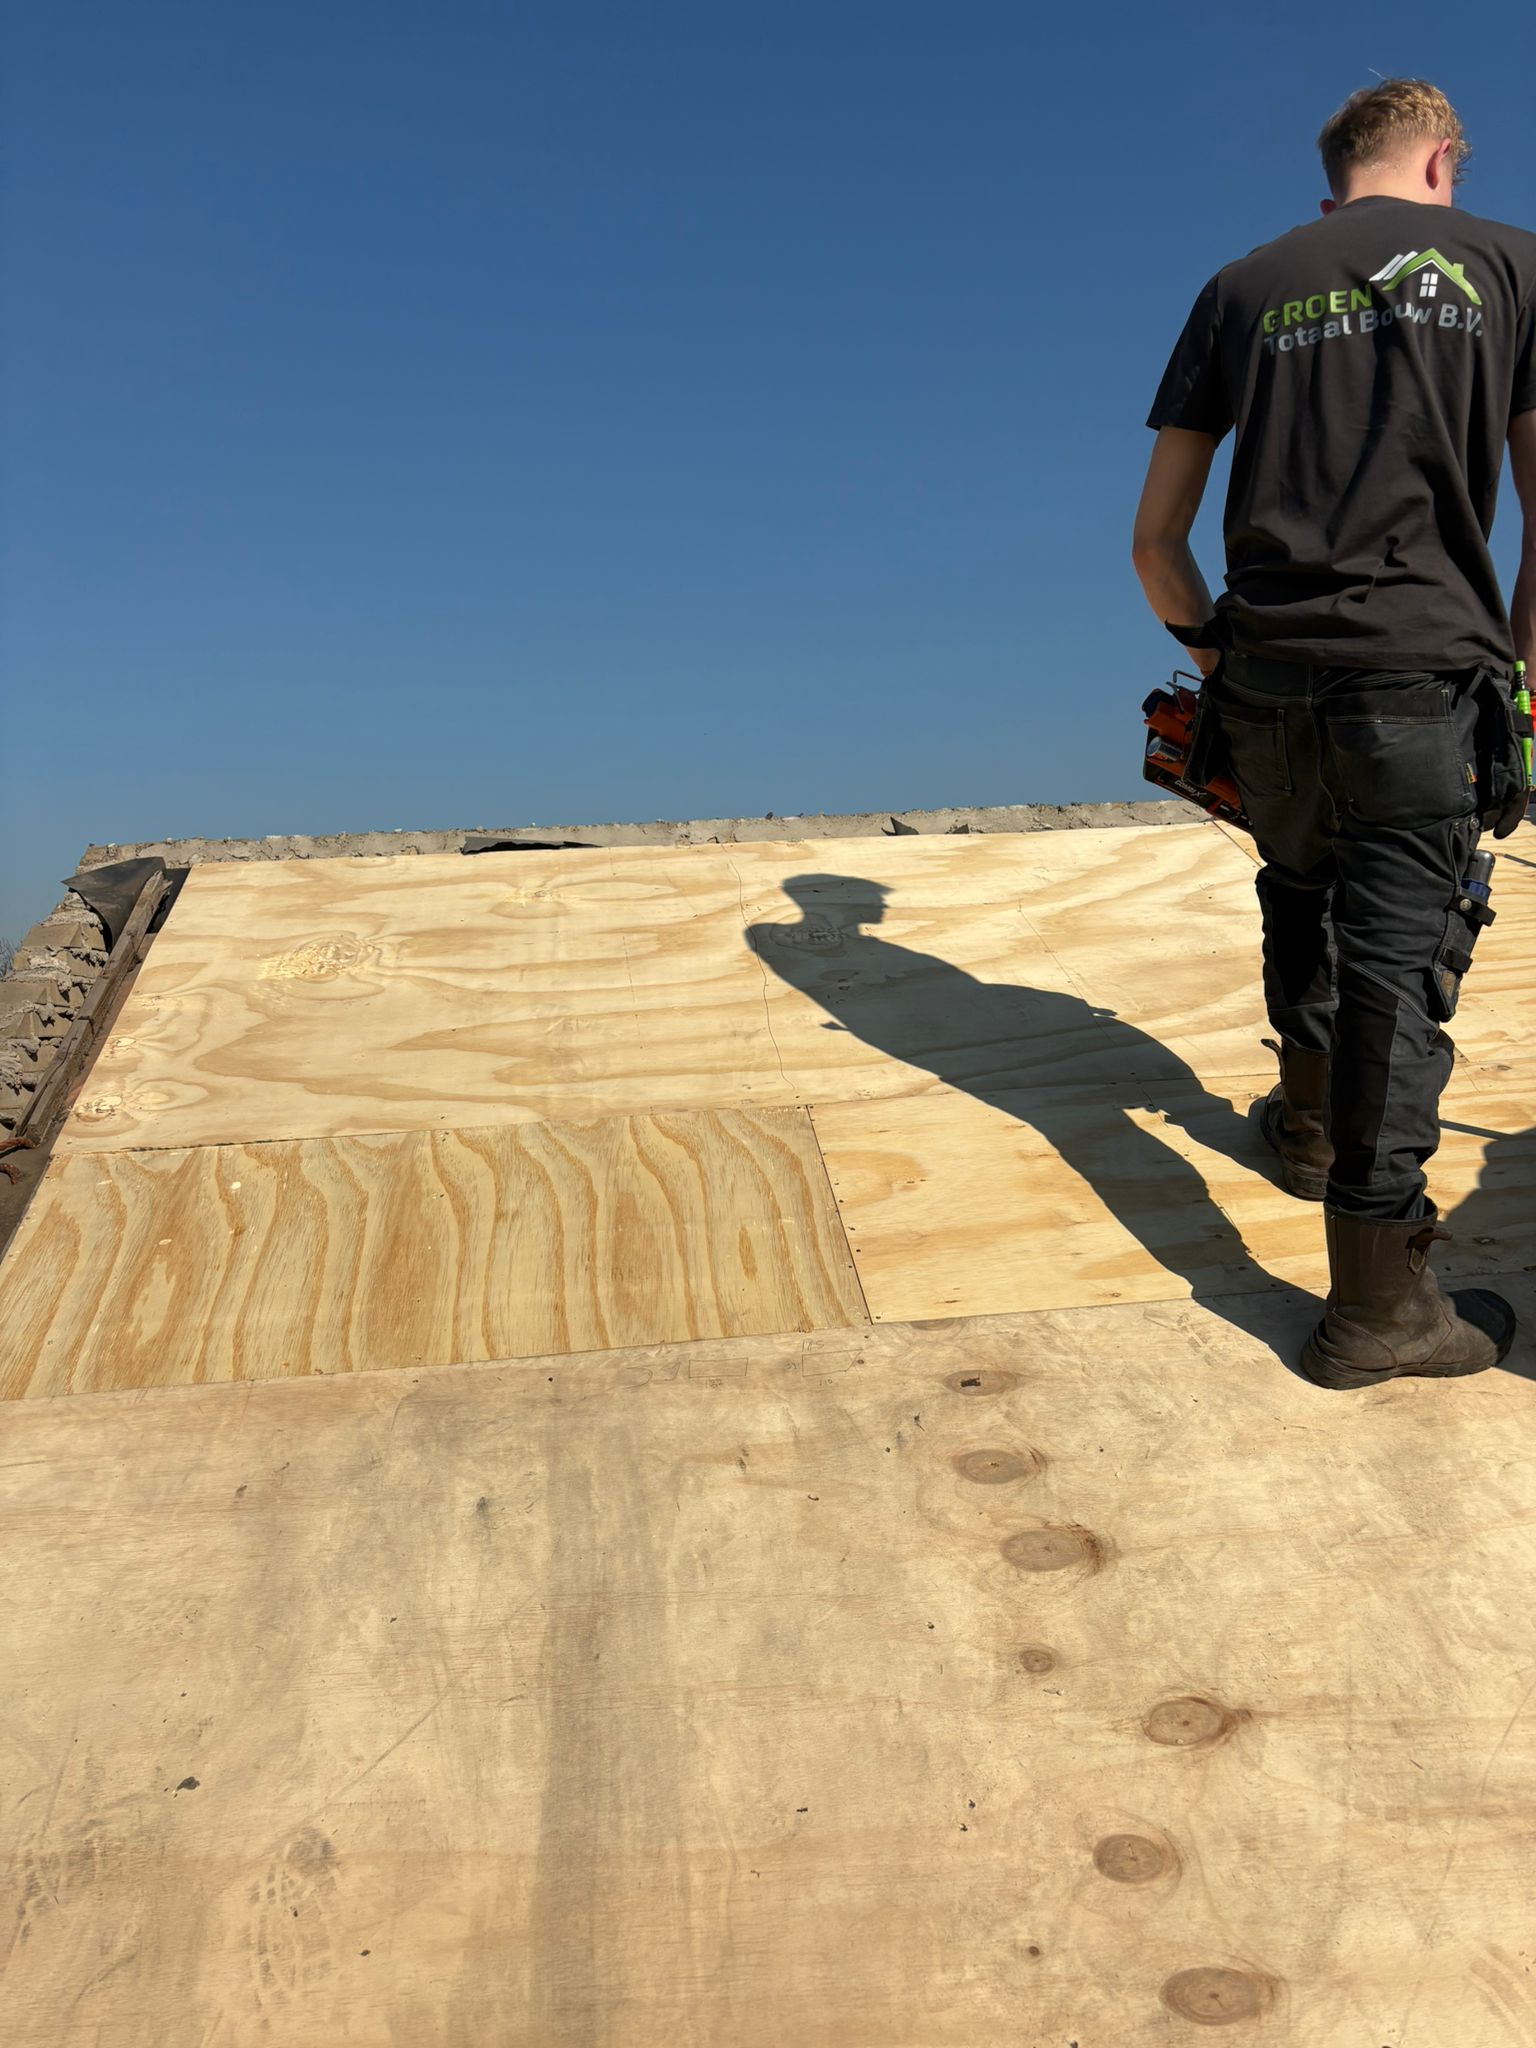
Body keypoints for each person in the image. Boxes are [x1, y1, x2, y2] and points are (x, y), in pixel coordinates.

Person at [1131, 79, 1536, 1389]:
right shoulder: (1514, 268)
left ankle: (1303, 1132)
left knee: (1300, 884)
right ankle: (1378, 1308)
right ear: (1444, 166)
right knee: (1398, 973)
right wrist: (1517, 687)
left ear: (1331, 191)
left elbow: (1153, 545)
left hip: (1264, 676)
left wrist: (1221, 660)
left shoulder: (1242, 285)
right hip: (1422, 676)